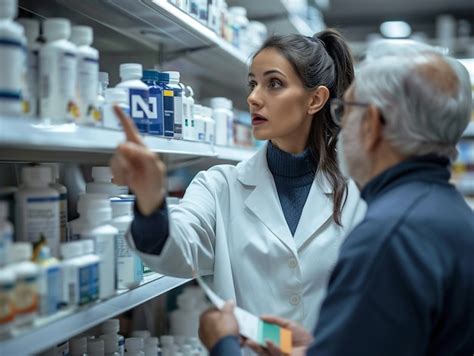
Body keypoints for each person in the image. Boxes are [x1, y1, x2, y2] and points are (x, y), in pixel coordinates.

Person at [198, 41, 474, 356]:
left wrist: (223, 344)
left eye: (346, 111)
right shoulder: (451, 212)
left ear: (370, 124)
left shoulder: (388, 236)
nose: (339, 126)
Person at [110, 29, 365, 333]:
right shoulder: (220, 186)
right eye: (253, 84)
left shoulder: (358, 191)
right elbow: (174, 253)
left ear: (315, 99)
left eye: (274, 84)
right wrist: (150, 202)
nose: (253, 98)